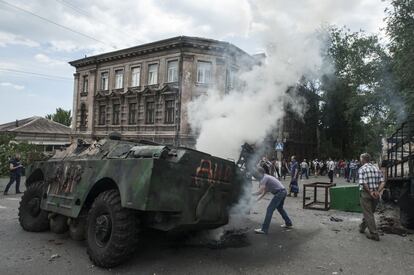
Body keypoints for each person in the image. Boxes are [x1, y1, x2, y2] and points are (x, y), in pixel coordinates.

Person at [253, 167, 293, 234]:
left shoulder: (264, 178)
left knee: (269, 209)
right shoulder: (266, 178)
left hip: (280, 193)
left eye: (257, 174)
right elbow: (263, 193)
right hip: (283, 192)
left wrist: (251, 194)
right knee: (280, 208)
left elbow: (260, 192)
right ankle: (288, 223)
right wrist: (256, 200)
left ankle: (264, 229)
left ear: (260, 173)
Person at [358, 153, 385, 241]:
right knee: (369, 213)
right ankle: (362, 227)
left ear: (363, 160)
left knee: (368, 213)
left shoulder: (362, 169)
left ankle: (374, 234)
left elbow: (363, 182)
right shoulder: (377, 168)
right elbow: (383, 182)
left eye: (360, 159)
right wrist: (377, 191)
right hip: (376, 194)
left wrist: (370, 192)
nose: (360, 160)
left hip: (366, 193)